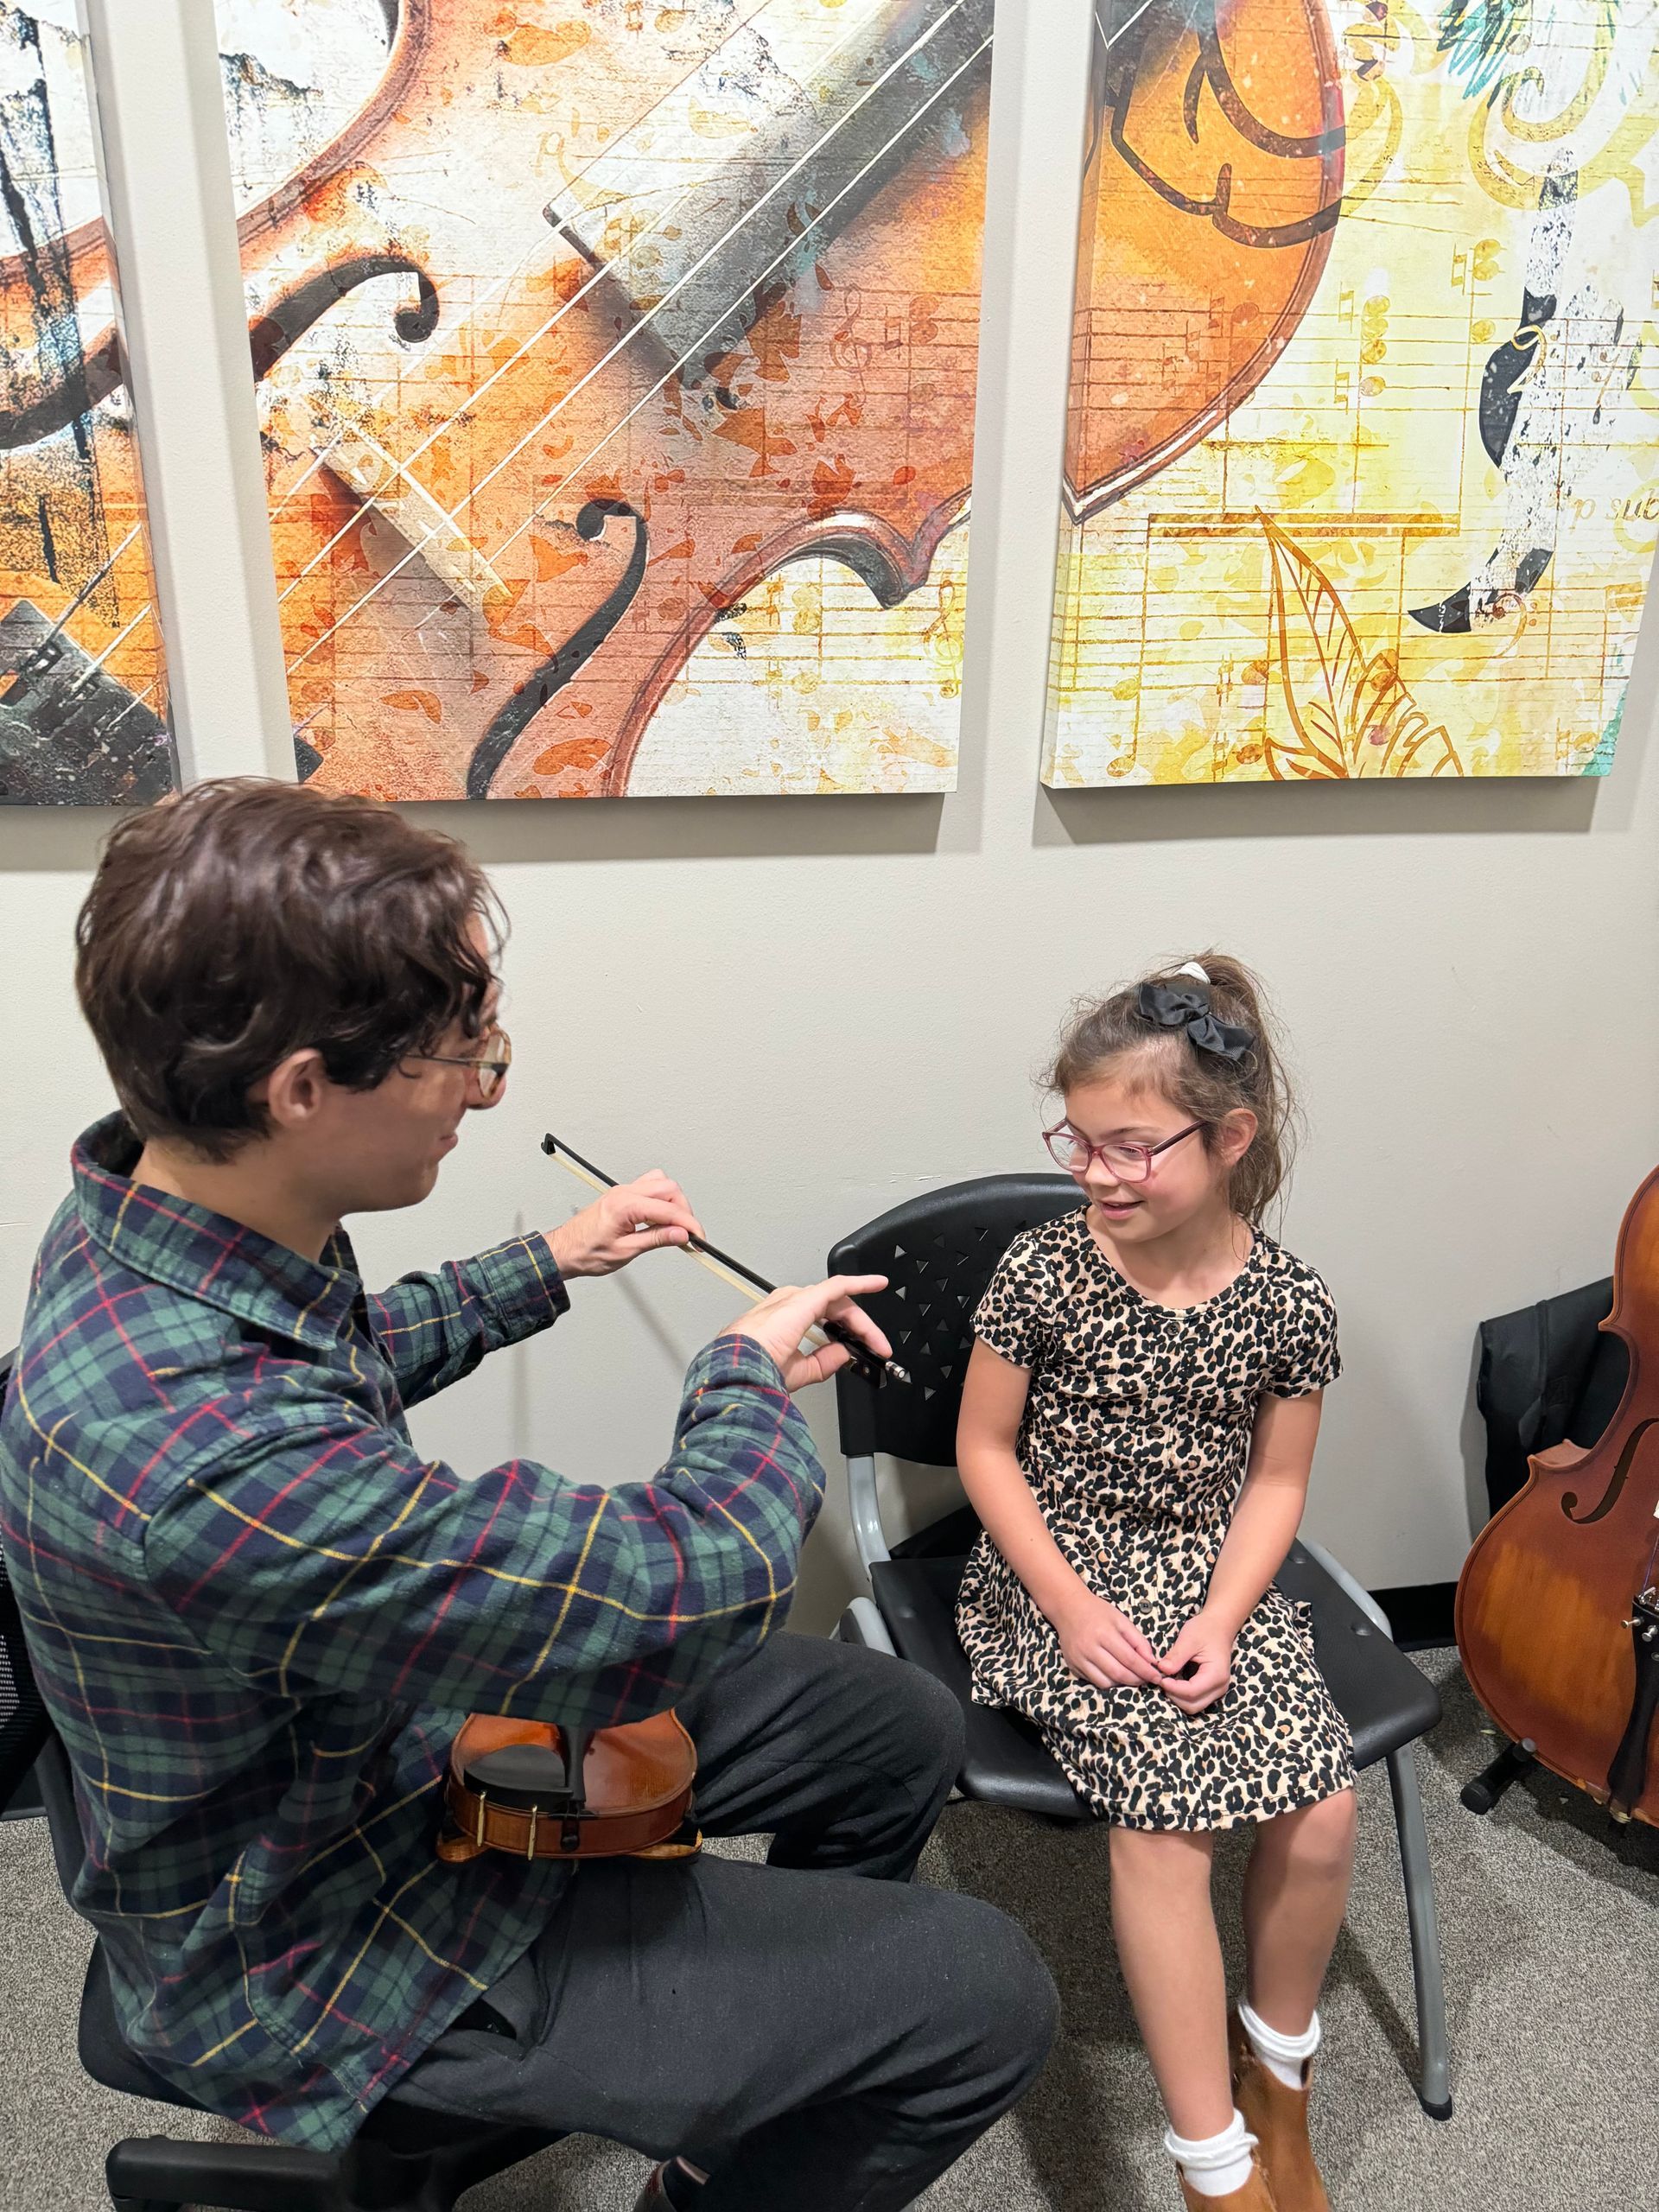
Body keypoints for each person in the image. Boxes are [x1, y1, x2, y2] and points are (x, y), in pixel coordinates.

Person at [0, 779, 1057, 2212]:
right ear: (302, 1086)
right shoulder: (198, 1454)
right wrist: (739, 1375)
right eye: (463, 1059)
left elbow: (336, 1364)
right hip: (325, 1927)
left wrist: (548, 1262)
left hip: (378, 1733)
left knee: (891, 1728)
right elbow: (684, 1591)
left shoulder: (151, 1206)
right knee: (981, 1995)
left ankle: (737, 2096)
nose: (481, 1090)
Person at [955, 957, 1356, 2212]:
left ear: (1229, 1138)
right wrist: (1073, 1607)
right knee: (1169, 1816)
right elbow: (983, 1452)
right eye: (1079, 1142)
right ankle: (1212, 2164)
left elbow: (1275, 1491)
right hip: (1050, 1574)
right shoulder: (1041, 1268)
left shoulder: (1290, 1302)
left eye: (1130, 1147)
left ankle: (1277, 2087)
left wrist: (1226, 1622)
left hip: (1212, 1575)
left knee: (1325, 1806)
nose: (1096, 1174)